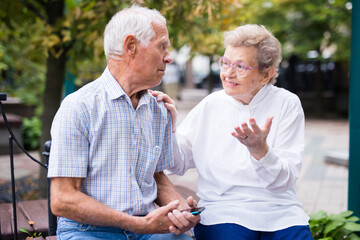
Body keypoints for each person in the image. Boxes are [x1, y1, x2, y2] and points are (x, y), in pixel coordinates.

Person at [47, 5, 200, 240]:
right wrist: (140, 225)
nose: (168, 57)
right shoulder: (79, 107)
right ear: (131, 46)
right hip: (88, 231)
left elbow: (157, 177)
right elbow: (63, 200)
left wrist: (180, 209)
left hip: (146, 228)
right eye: (162, 47)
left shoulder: (158, 109)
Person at [154, 24, 313, 240]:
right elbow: (177, 163)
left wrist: (260, 151)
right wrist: (169, 127)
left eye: (240, 67)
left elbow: (284, 181)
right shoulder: (211, 105)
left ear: (266, 74)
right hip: (223, 209)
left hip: (279, 210)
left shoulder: (287, 104)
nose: (228, 73)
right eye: (225, 63)